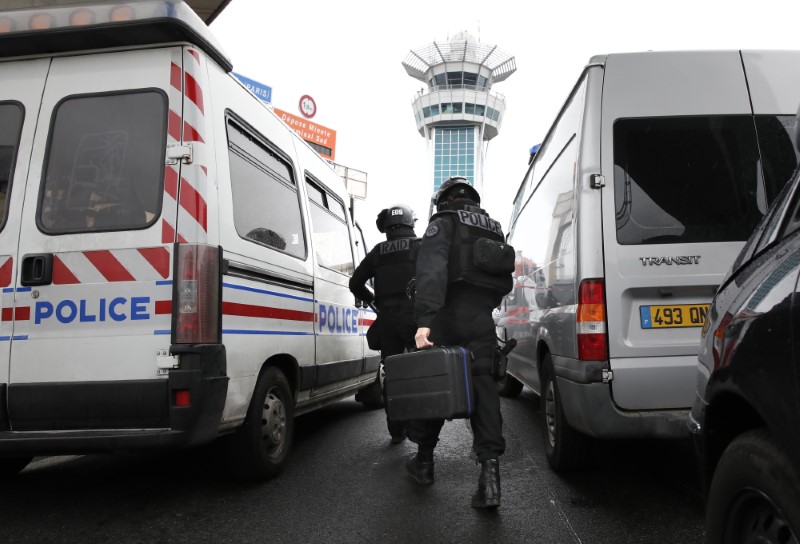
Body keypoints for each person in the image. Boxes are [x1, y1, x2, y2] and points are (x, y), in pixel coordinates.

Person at [407, 176, 514, 509]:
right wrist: (485, 306)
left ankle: (424, 462)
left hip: (446, 315)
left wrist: (425, 320)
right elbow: (503, 279)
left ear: (444, 200)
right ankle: (490, 481)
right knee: (485, 391)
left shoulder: (444, 221)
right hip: (481, 319)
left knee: (436, 387)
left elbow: (432, 268)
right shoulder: (493, 227)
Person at [349, 204, 420, 444]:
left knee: (392, 371)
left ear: (387, 228)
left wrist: (374, 303)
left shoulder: (379, 251)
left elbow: (355, 283)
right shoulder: (420, 246)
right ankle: (421, 427)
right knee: (424, 369)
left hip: (388, 320)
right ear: (410, 224)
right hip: (416, 319)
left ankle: (396, 429)